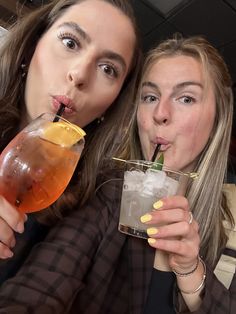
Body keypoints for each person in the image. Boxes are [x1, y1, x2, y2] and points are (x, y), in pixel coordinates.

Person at [0, 34, 235, 313]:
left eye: (185, 98)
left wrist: (191, 271)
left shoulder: (226, 228)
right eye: (150, 97)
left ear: (218, 118)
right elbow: (38, 288)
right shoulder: (105, 195)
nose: (160, 113)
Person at [0, 0, 142, 280]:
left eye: (108, 69)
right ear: (32, 47)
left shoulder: (90, 205)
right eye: (70, 42)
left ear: (112, 104)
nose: (78, 75)